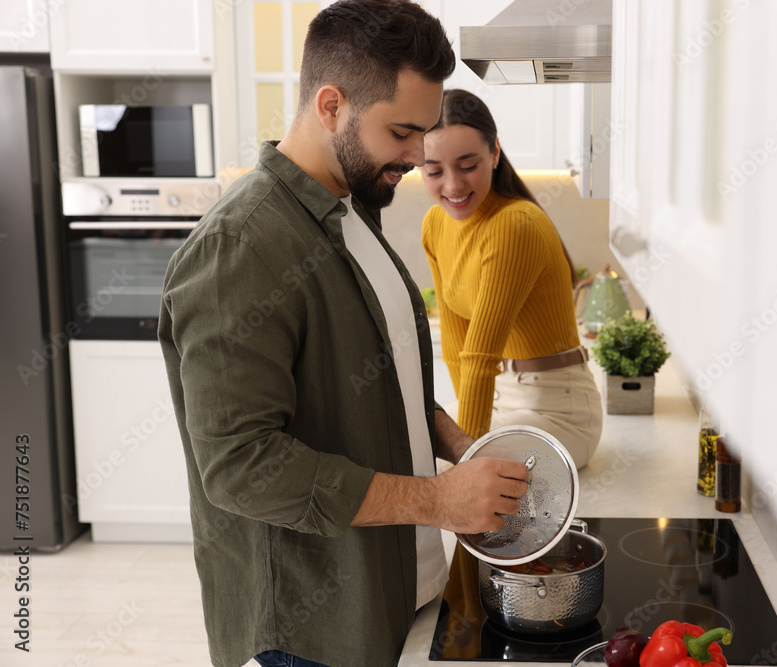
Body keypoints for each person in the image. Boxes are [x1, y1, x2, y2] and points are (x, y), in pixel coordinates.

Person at [157, 3, 529, 666]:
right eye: (402, 132)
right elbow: (241, 465)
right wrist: (438, 499)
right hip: (313, 631)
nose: (419, 156)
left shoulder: (354, 210)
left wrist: (459, 445)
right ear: (330, 105)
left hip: (392, 593)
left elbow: (381, 382)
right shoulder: (241, 247)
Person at [419, 89, 604, 469]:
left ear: (495, 153)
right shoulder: (435, 224)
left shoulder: (514, 224)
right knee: (412, 450)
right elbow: (457, 342)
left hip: (559, 410)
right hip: (504, 395)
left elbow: (480, 355)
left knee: (441, 471)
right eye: (434, 170)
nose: (452, 186)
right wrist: (465, 443)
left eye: (468, 165)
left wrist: (465, 467)